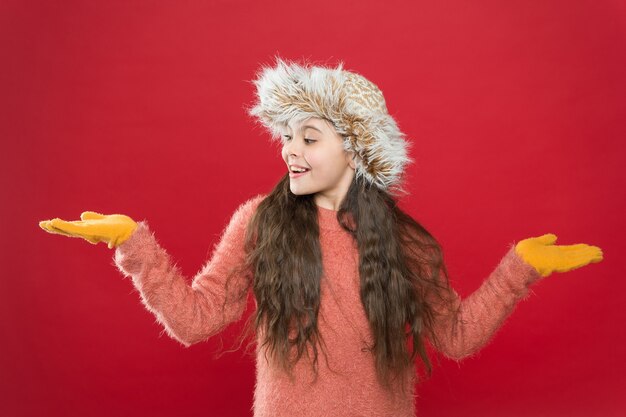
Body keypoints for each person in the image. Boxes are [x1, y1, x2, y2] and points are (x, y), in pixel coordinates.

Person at [38, 57, 604, 417]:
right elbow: (195, 319)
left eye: (309, 137)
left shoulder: (407, 244)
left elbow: (454, 335)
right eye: (287, 136)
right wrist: (131, 244)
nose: (290, 149)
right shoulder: (259, 220)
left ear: (357, 151)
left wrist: (520, 268)